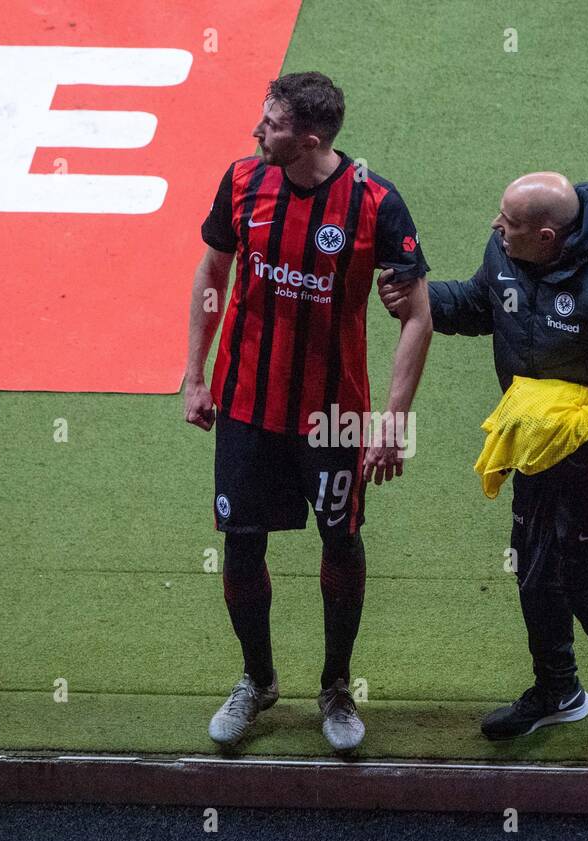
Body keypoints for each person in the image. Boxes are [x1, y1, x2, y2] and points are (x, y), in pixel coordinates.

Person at [379, 172, 588, 764]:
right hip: (537, 441)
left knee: (587, 582)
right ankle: (559, 691)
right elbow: (483, 305)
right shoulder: (506, 253)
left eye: (509, 223)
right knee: (533, 568)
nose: (495, 228)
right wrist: (421, 299)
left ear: (549, 235)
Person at [185, 72, 433, 753]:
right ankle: (258, 681)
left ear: (311, 139)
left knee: (341, 540)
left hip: (335, 416)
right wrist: (194, 375)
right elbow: (212, 274)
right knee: (241, 541)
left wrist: (392, 418)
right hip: (245, 403)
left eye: (271, 124)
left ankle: (335, 687)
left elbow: (418, 316)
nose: (257, 131)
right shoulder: (242, 182)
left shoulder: (375, 203)